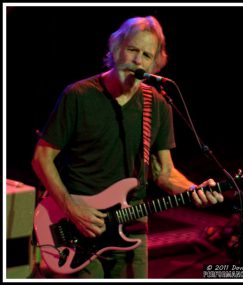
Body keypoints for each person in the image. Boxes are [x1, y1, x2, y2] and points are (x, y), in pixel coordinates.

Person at [30, 15, 224, 279]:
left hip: (132, 225)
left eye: (146, 55)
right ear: (115, 47)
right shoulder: (78, 95)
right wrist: (72, 208)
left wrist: (192, 190)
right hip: (76, 224)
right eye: (132, 49)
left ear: (155, 63)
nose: (137, 61)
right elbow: (42, 158)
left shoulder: (157, 104)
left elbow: (164, 172)